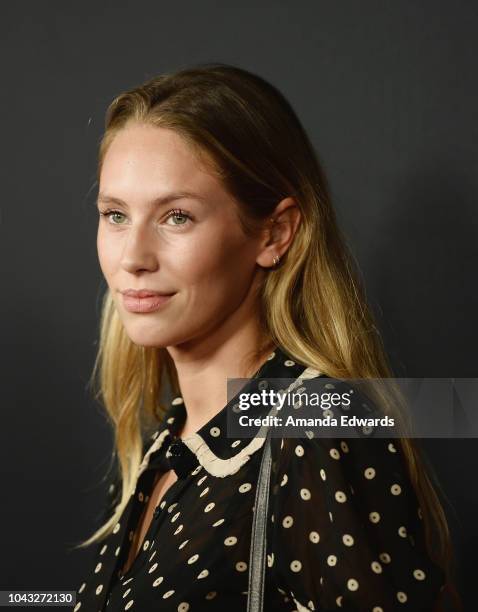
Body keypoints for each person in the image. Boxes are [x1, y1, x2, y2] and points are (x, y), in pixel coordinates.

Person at [72, 63, 460, 611]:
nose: (132, 258)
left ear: (275, 233)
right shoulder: (168, 443)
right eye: (115, 215)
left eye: (177, 216)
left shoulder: (314, 425)